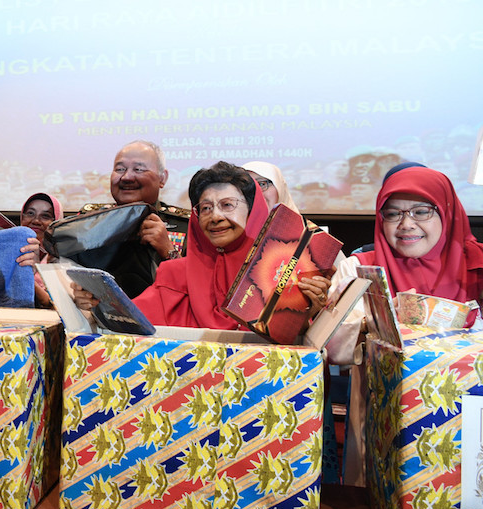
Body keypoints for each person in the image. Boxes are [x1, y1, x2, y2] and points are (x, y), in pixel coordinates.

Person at [326, 165, 483, 485]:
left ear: (447, 211)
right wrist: (380, 319)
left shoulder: (478, 266)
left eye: (422, 211)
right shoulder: (359, 270)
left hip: (470, 420)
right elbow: (331, 348)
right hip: (380, 417)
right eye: (393, 213)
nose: (406, 224)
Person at [75, 162, 330, 329]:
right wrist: (97, 305)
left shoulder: (281, 274)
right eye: (206, 208)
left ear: (252, 213)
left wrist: (314, 312)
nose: (215, 216)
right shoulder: (174, 274)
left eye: (228, 205)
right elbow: (129, 323)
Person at [74, 140, 191, 298]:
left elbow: (196, 289)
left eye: (139, 169)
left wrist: (167, 250)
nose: (127, 177)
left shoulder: (185, 225)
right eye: (120, 169)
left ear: (162, 178)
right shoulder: (90, 222)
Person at [20, 192, 63, 308]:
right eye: (30, 213)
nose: (36, 221)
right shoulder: (11, 250)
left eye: (45, 216)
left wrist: (25, 275)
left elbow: (55, 305)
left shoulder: (63, 259)